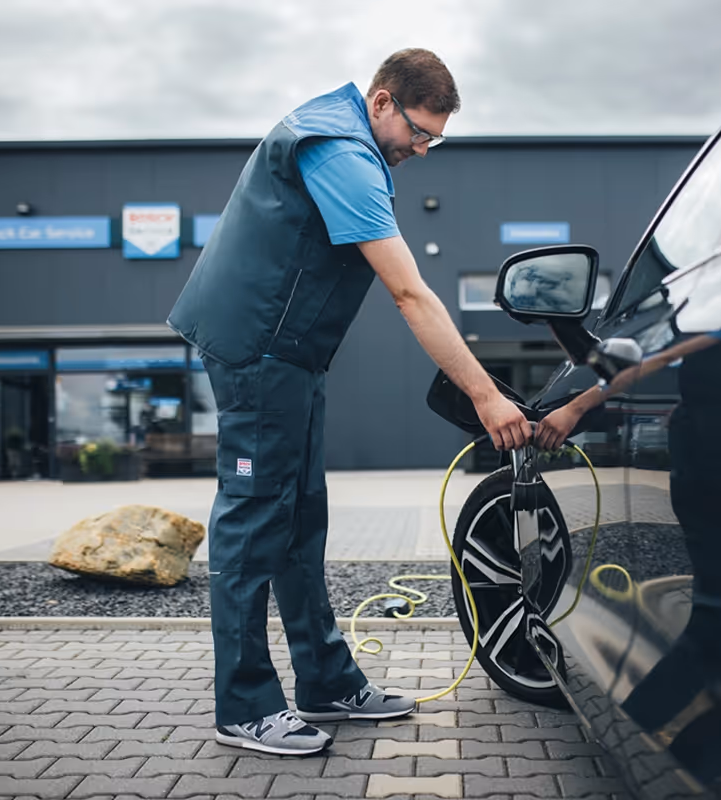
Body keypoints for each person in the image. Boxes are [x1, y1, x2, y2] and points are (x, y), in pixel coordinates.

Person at [167, 48, 531, 757]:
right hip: (255, 353)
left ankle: (327, 681)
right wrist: (485, 396)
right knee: (252, 522)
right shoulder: (339, 150)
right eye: (419, 133)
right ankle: (243, 708)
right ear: (383, 102)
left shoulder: (352, 137)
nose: (422, 150)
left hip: (291, 355)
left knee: (302, 517)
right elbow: (409, 293)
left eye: (435, 140)